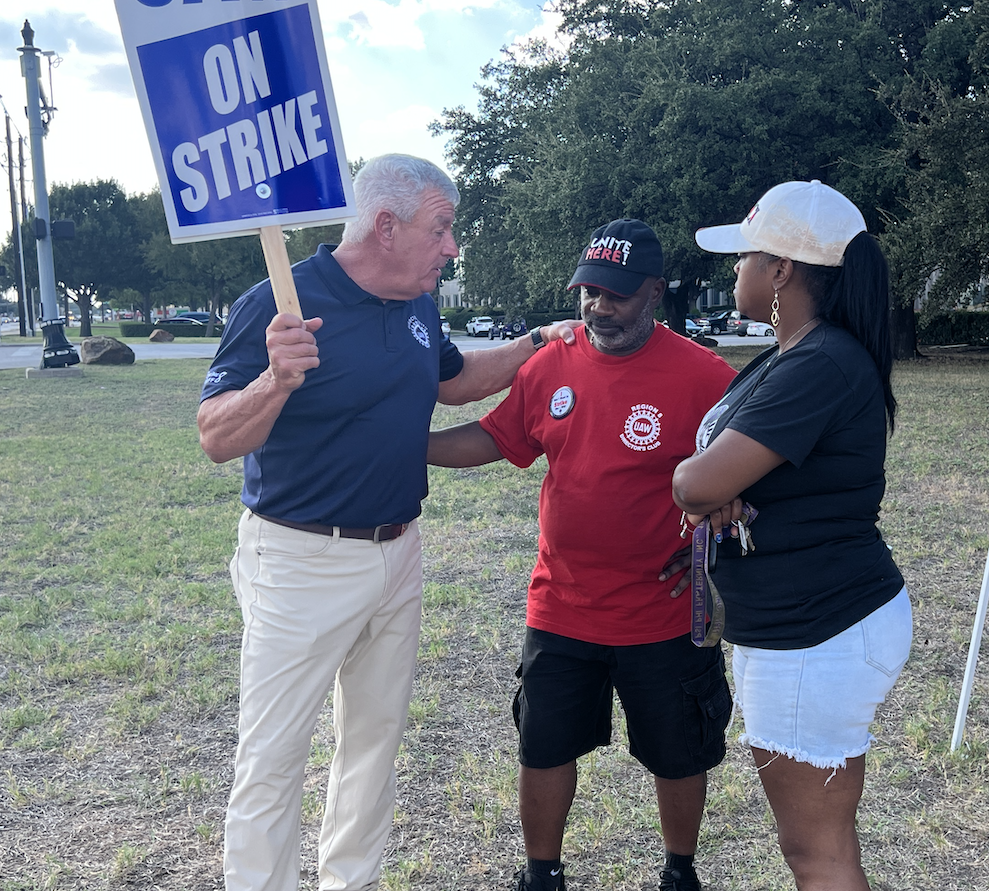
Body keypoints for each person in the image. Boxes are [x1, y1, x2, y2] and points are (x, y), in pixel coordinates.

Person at [197, 153, 580, 891]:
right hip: (300, 561)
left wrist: (536, 345)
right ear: (385, 225)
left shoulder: (418, 303)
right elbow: (216, 436)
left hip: (398, 553)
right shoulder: (279, 303)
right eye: (442, 229)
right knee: (273, 759)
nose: (452, 248)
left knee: (372, 745)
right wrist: (276, 379)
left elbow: (452, 380)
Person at [426, 219, 736, 891]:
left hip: (663, 613)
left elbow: (749, 479)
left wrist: (712, 542)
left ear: (655, 291)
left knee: (679, 751)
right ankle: (542, 874)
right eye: (589, 291)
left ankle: (680, 873)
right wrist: (407, 445)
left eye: (617, 293)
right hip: (560, 607)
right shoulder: (550, 366)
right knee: (542, 745)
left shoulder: (705, 377)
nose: (599, 306)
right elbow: (494, 438)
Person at [671, 180, 910, 891]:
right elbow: (723, 477)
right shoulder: (796, 355)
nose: (733, 271)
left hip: (818, 632)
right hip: (803, 627)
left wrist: (709, 488)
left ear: (781, 271)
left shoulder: (820, 362)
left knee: (816, 850)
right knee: (816, 844)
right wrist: (718, 486)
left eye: (745, 256)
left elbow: (693, 484)